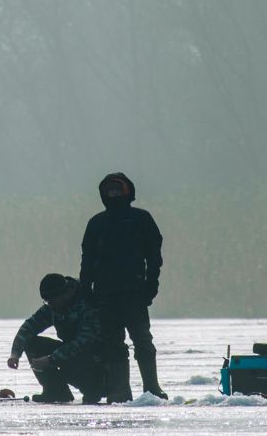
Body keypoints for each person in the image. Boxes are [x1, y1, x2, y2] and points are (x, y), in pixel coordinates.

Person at [80, 172, 166, 402]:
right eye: (109, 190)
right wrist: (85, 288)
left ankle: (152, 388)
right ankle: (120, 390)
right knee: (112, 343)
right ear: (103, 194)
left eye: (118, 189)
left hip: (134, 292)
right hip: (105, 293)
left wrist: (151, 284)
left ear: (128, 191)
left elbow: (154, 256)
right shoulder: (97, 222)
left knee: (142, 339)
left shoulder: (141, 218)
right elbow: (87, 259)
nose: (114, 193)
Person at [7, 273, 105, 404]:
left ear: (65, 294)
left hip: (96, 360)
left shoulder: (86, 305)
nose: (50, 305)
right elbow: (28, 328)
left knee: (87, 372)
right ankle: (55, 391)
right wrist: (15, 353)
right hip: (70, 356)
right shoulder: (54, 306)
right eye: (47, 301)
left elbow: (85, 342)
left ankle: (93, 389)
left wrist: (51, 360)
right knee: (31, 343)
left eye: (51, 301)